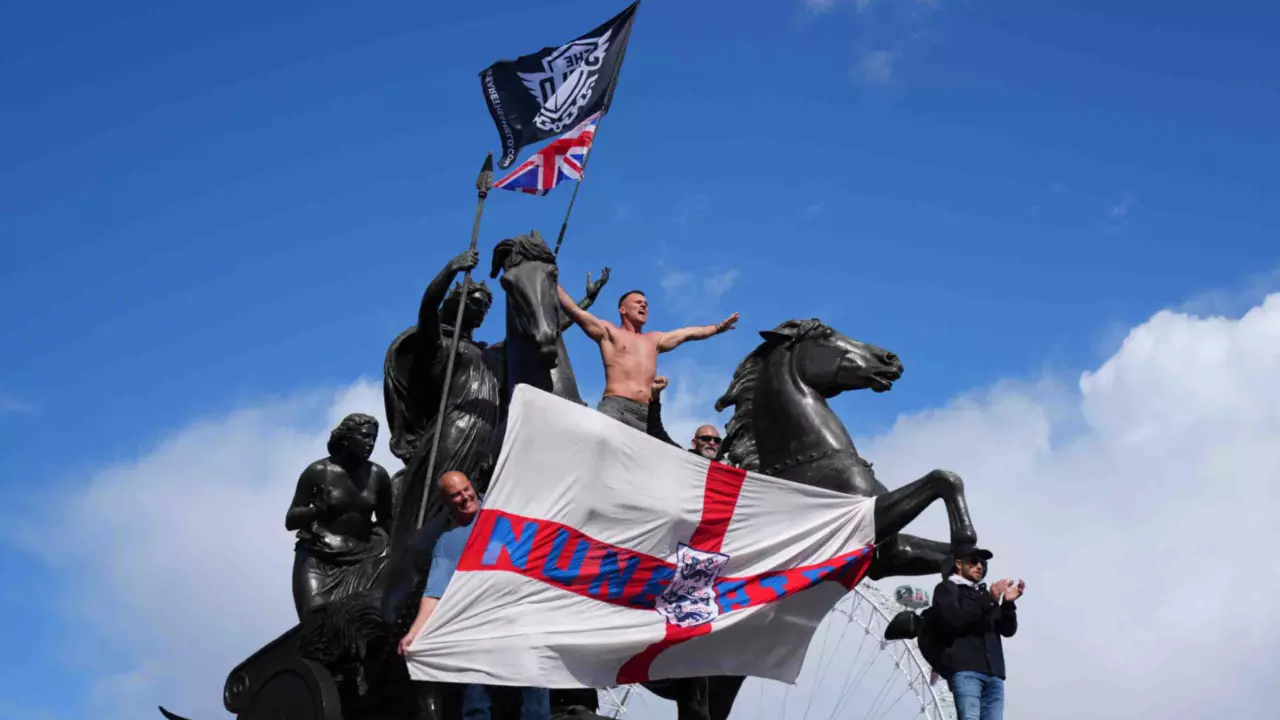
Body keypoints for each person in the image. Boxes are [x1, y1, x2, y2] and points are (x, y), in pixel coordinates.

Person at [398, 471, 551, 720]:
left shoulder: (507, 515)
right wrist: (413, 632)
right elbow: (435, 593)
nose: (465, 497)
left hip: (523, 623)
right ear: (446, 502)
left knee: (535, 703)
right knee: (477, 705)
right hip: (479, 630)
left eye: (466, 489)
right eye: (456, 495)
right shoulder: (448, 542)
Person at [557, 286, 738, 438]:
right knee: (600, 450)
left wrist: (718, 328)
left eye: (646, 304)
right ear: (622, 310)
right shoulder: (608, 331)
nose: (644, 305)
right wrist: (547, 271)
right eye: (638, 302)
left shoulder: (654, 339)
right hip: (617, 408)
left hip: (647, 414)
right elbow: (573, 310)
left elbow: (687, 333)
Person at [285, 413, 395, 619]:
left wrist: (405, 544)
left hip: (363, 559)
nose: (370, 443)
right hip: (319, 559)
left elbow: (387, 520)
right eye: (364, 437)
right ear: (346, 438)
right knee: (315, 621)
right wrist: (316, 511)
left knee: (364, 619)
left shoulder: (378, 475)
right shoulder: (317, 471)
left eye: (373, 438)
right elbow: (290, 520)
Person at [929, 545, 1024, 720]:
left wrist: (1008, 604)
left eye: (983, 563)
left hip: (994, 674)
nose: (979, 566)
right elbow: (953, 619)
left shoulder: (984, 595)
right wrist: (989, 600)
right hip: (966, 670)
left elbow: (1008, 630)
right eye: (973, 562)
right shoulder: (947, 589)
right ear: (959, 564)